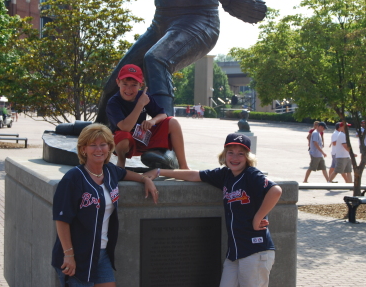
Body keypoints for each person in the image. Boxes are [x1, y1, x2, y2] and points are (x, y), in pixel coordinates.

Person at [143, 133, 282, 287]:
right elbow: (195, 175)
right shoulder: (225, 175)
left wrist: (258, 217)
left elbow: (275, 191)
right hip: (235, 253)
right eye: (231, 153)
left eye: (240, 154)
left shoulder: (251, 174)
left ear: (248, 157)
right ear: (224, 155)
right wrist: (158, 172)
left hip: (255, 250)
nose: (235, 157)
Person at [95, 0, 229, 122]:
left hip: (199, 18)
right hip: (161, 20)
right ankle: (98, 131)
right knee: (112, 87)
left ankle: (163, 134)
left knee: (156, 59)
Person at [51, 123, 159, 287]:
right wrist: (68, 254)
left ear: (109, 147)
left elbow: (126, 173)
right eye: (92, 145)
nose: (98, 149)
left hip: (102, 254)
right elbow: (62, 220)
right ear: (83, 149)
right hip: (78, 255)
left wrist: (145, 179)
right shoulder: (72, 178)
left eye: (103, 145)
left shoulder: (109, 171)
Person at [106, 64, 189, 169]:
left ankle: (183, 165)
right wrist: (140, 104)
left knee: (173, 122)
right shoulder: (113, 102)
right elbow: (125, 127)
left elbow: (163, 114)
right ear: (118, 82)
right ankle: (121, 162)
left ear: (141, 85)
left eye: (134, 85)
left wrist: (152, 121)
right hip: (125, 142)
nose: (129, 89)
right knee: (123, 137)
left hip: (143, 136)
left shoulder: (144, 96)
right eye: (125, 84)